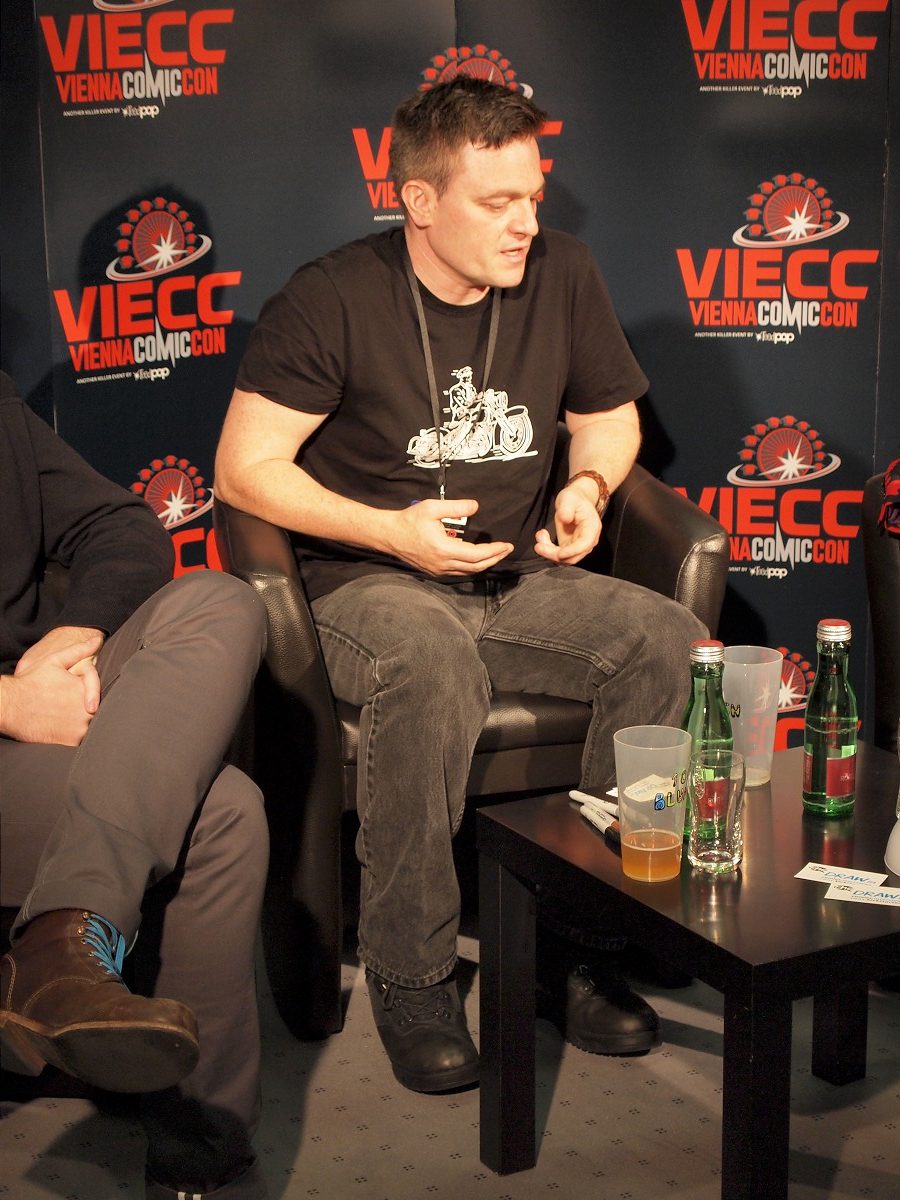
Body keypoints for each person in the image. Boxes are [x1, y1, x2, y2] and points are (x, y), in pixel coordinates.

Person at [214, 76, 705, 1095]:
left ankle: (576, 949)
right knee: (430, 658)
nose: (526, 223)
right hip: (365, 584)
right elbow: (243, 471)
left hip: (511, 576)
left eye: (533, 197)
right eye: (498, 203)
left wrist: (587, 486)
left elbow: (608, 416)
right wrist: (387, 530)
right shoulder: (331, 295)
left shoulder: (562, 272)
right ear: (419, 201)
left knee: (662, 639)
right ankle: (413, 974)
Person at [0, 370, 270, 1200]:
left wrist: (73, 635)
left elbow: (118, 524)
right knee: (225, 813)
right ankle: (200, 1141)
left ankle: (63, 939)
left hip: (42, 693)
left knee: (219, 602)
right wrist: (8, 703)